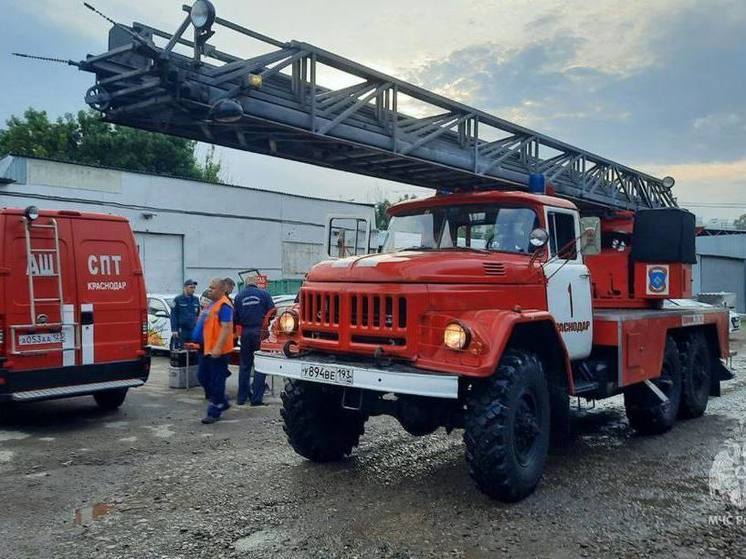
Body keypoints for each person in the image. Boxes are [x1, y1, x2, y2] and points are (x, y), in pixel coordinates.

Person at [193, 278, 235, 424]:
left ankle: (214, 411)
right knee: (202, 377)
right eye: (209, 287)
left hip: (219, 351)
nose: (210, 290)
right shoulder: (212, 305)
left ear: (222, 290)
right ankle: (222, 401)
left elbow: (226, 328)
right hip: (207, 349)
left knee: (217, 381)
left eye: (213, 288)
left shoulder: (224, 305)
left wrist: (218, 347)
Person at [234, 281, 275, 406]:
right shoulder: (264, 294)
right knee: (260, 365)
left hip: (246, 332)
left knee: (245, 365)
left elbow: (235, 318)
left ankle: (241, 398)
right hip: (260, 332)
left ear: (246, 285)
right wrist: (265, 322)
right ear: (256, 284)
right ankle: (256, 399)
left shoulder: (239, 296)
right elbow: (272, 311)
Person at [170, 280, 200, 349]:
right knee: (182, 352)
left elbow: (198, 315)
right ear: (185, 288)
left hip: (193, 330)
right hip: (182, 331)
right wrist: (174, 329)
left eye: (194, 288)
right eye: (191, 287)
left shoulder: (196, 299)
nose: (193, 289)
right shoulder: (178, 299)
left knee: (193, 351)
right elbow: (173, 315)